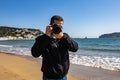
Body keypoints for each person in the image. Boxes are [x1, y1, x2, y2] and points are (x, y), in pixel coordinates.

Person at [31, 15, 78, 80]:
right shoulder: (42, 38)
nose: (59, 28)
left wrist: (63, 37)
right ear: (50, 26)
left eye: (60, 26)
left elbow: (75, 48)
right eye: (56, 26)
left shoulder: (65, 37)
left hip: (63, 76)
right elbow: (35, 53)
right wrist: (46, 36)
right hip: (48, 77)